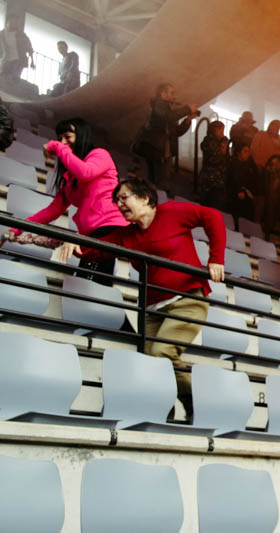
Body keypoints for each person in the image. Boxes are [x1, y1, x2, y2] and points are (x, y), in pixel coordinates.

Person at [71, 177, 225, 419]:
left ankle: (198, 405)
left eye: (124, 198)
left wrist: (216, 258)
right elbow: (95, 249)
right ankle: (165, 411)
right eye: (116, 200)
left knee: (161, 353)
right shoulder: (127, 235)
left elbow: (212, 216)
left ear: (144, 198)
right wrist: (68, 244)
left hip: (187, 298)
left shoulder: (171, 212)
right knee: (150, 364)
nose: (119, 204)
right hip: (153, 309)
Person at [3, 117, 128, 283]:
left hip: (109, 228)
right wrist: (17, 229)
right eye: (60, 138)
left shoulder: (100, 154)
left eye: (68, 137)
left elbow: (86, 172)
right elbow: (51, 211)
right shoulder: (69, 179)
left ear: (81, 136)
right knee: (90, 281)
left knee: (91, 280)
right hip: (90, 235)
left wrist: (57, 147)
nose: (63, 142)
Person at [133, 82, 198, 186]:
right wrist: (187, 108)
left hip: (165, 152)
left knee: (162, 181)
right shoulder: (158, 106)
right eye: (172, 93)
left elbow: (176, 132)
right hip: (154, 150)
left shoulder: (168, 110)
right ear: (163, 94)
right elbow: (168, 116)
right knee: (154, 181)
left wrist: (188, 120)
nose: (174, 96)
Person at [198, 120, 228, 211]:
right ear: (214, 130)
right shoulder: (208, 142)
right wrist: (222, 151)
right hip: (209, 178)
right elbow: (214, 159)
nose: (222, 134)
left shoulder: (221, 141)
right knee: (209, 205)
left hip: (218, 179)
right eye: (220, 131)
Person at [227, 144, 258, 222]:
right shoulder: (233, 165)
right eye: (245, 151)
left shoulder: (249, 164)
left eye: (248, 152)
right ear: (238, 153)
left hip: (247, 195)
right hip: (237, 196)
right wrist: (238, 191)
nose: (248, 154)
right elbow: (233, 180)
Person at [0, 14, 33, 81]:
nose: (15, 24)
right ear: (8, 21)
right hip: (6, 59)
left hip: (18, 59)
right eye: (14, 21)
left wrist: (32, 61)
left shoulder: (21, 35)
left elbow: (29, 47)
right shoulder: (2, 34)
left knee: (13, 78)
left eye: (16, 22)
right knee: (3, 76)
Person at [262, 153, 280, 237]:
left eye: (276, 163)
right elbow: (272, 187)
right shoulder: (269, 173)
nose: (274, 166)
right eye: (272, 164)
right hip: (271, 198)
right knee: (270, 215)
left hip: (279, 199)